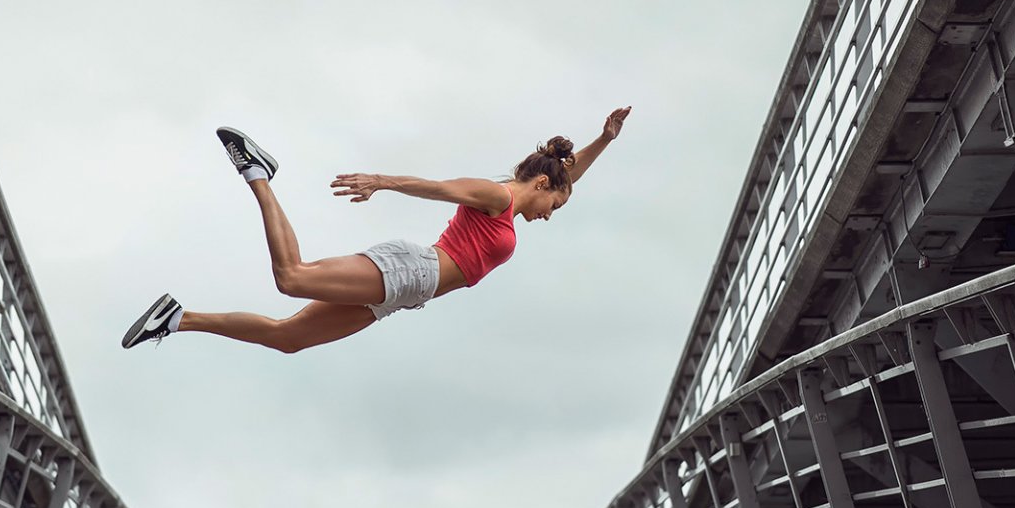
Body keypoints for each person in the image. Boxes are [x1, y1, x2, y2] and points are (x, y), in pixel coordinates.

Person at [122, 107, 632, 353]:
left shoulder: (519, 199)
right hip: (412, 268)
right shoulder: (496, 196)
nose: (550, 215)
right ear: (541, 183)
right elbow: (439, 186)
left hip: (404, 294)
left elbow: (570, 174)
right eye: (555, 205)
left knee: (287, 340)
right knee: (292, 277)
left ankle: (178, 319)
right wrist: (381, 181)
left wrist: (603, 140)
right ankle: (258, 174)